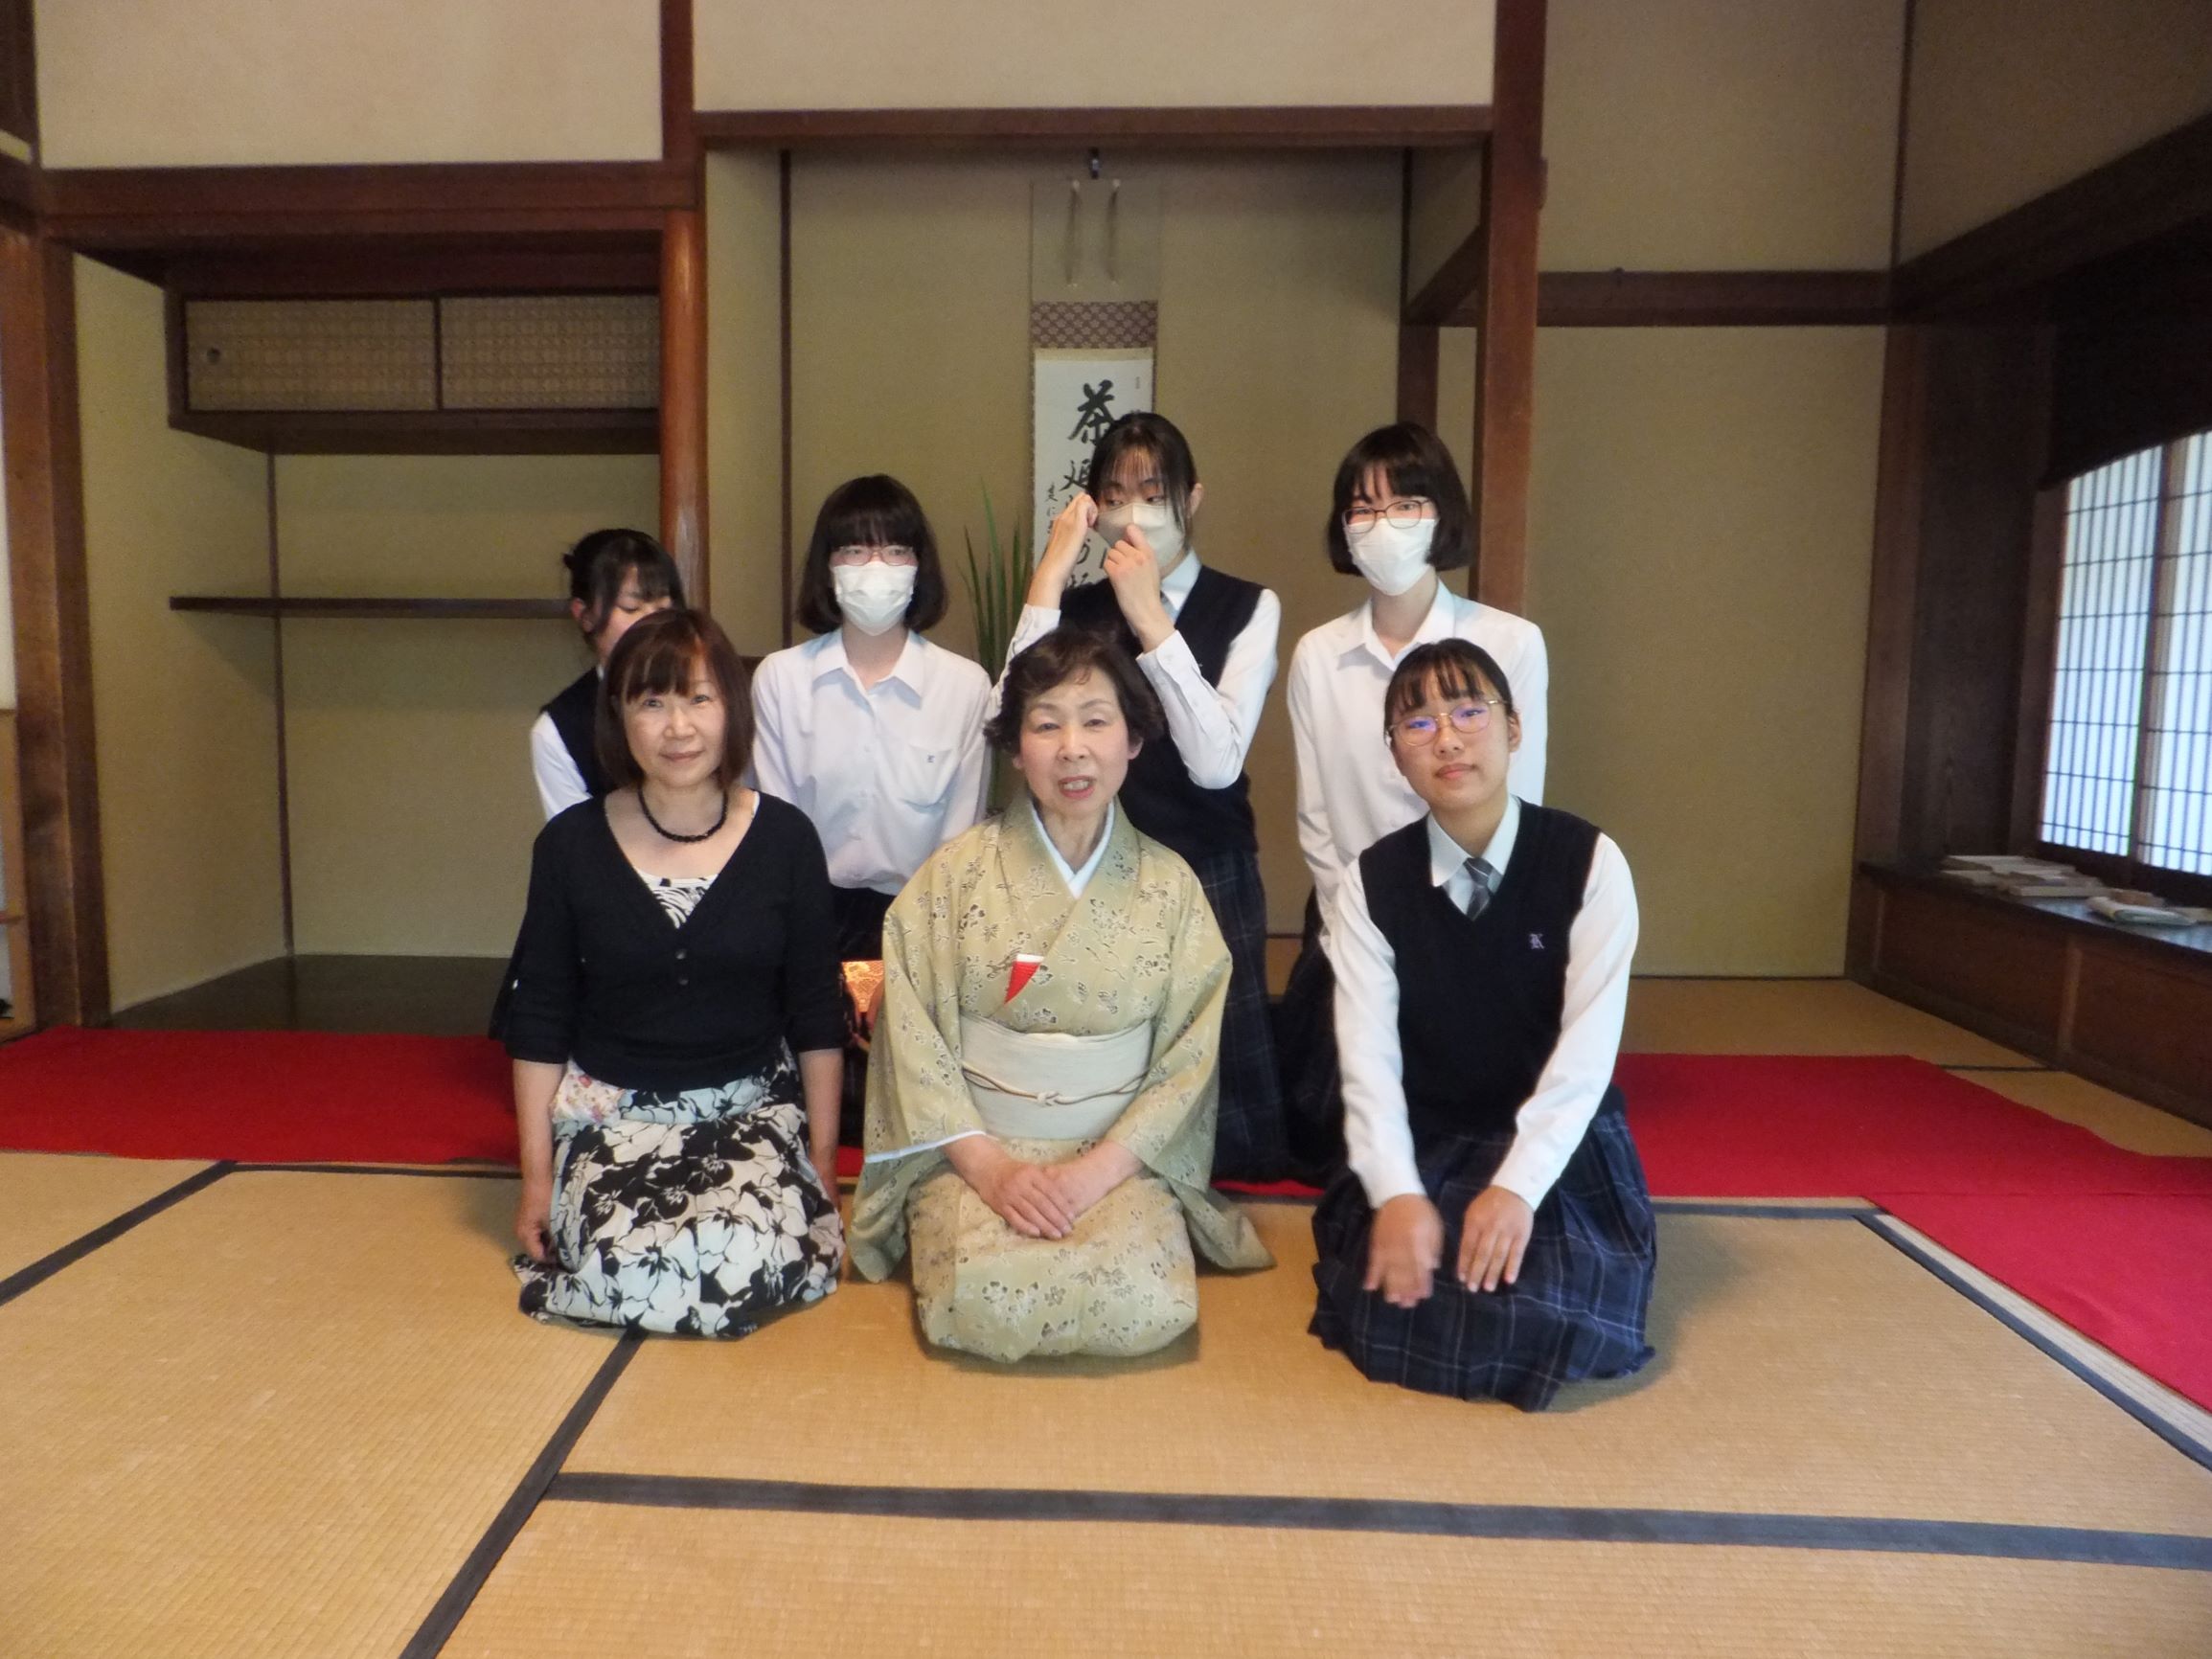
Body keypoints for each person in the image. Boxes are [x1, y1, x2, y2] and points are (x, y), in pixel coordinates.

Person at [852, 628, 1271, 1362]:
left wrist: (1095, 1173)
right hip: (976, 1149)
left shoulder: (1170, 886)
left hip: (1115, 1157)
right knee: (980, 1300)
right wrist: (990, 1169)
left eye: (1095, 721)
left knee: (1146, 1305)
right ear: (1015, 749)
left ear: (1132, 740)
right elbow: (912, 1042)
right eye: (1045, 725)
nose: (1072, 749)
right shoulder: (953, 876)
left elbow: (1187, 1062)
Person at [1309, 638, 1653, 1408]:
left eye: (1468, 712)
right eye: (1417, 723)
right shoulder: (1370, 883)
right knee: (1397, 1301)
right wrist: (1396, 1192)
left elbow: (1586, 1054)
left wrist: (1519, 1188)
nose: (1447, 738)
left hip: (1557, 1136)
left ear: (1513, 728)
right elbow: (1365, 1058)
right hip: (1432, 1129)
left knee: (1552, 1314)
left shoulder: (1589, 861)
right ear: (1394, 753)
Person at [502, 608, 846, 1335]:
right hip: (612, 1116)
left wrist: (820, 1161)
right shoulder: (570, 845)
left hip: (747, 1111)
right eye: (651, 702)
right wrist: (536, 1180)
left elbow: (817, 1013)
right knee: (628, 1266)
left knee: (747, 1257)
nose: (678, 727)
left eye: (699, 698)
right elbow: (540, 1023)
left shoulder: (785, 839)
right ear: (619, 717)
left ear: (732, 709)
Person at [1005, 413, 1288, 1182]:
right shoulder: (1075, 609)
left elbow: (1216, 764)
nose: (1135, 512)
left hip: (1206, 860)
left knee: (1218, 1080)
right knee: (1107, 1052)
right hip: (1096, 863)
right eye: (1116, 494)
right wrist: (1048, 578)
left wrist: (1149, 617)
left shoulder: (1247, 605)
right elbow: (1009, 720)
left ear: (1191, 499)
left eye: (1154, 494)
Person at [1280, 422, 1550, 1179]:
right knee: (1331, 1144)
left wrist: (1463, 938)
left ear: (1441, 515)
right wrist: (1358, 936)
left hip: (1478, 921)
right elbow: (1316, 820)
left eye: (1405, 505)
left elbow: (1517, 803)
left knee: (1481, 1136)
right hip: (1353, 916)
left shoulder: (1511, 643)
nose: (1383, 525)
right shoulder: (1318, 655)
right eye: (1363, 509)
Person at [751, 474, 991, 982]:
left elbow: (959, 838)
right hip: (805, 916)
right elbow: (776, 826)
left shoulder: (964, 686)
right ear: (828, 566)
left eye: (897, 551)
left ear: (919, 567)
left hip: (920, 918)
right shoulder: (781, 679)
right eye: (856, 551)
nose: (876, 568)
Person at [531, 528, 684, 820]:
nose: (652, 622)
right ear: (585, 615)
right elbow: (574, 840)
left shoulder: (714, 688)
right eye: (631, 607)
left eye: (662, 606)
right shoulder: (562, 729)